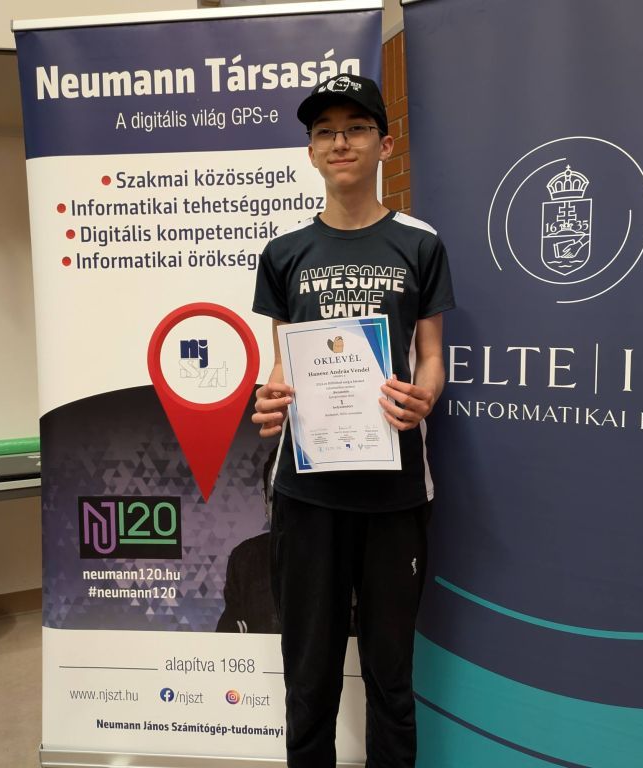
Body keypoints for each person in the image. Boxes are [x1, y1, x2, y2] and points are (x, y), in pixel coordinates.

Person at [251, 73, 455, 768]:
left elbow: (433, 356)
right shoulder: (284, 251)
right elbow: (283, 360)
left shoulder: (419, 243)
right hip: (308, 493)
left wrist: (424, 396)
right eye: (325, 132)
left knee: (391, 677)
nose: (341, 142)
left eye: (357, 128)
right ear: (311, 152)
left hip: (395, 491)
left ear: (385, 145)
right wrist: (271, 395)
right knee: (308, 677)